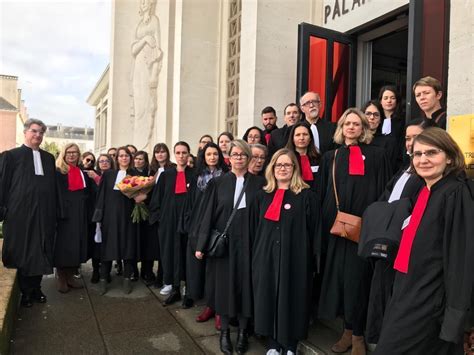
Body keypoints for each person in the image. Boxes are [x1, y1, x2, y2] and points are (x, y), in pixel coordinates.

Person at [375, 127, 474, 354]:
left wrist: (456, 320)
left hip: (430, 302)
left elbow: (461, 260)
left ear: (449, 157)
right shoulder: (425, 190)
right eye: (417, 154)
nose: (423, 159)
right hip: (406, 290)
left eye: (432, 153)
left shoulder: (455, 193)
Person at [317, 108, 391, 355]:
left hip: (365, 230)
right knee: (341, 282)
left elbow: (384, 191)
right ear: (341, 128)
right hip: (338, 230)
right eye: (347, 123)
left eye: (356, 124)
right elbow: (323, 192)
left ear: (363, 128)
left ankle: (358, 334)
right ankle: (347, 330)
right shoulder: (332, 156)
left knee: (360, 282)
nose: (351, 127)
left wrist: (374, 222)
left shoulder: (378, 155)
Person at [195, 140, 265, 355]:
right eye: (235, 154)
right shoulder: (218, 183)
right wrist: (201, 245)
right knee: (224, 288)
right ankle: (224, 332)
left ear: (248, 158)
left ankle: (243, 332)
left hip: (250, 242)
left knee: (246, 288)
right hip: (224, 245)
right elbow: (207, 215)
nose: (239, 158)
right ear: (229, 158)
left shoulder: (260, 183)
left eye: (243, 155)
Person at [363, 119, 427, 345]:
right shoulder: (404, 170)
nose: (410, 143)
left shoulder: (425, 174)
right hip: (387, 241)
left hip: (405, 245)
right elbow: (386, 198)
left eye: (415, 137)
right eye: (408, 138)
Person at [251, 149, 319, 355]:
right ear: (272, 168)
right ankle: (273, 343)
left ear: (294, 169)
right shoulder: (262, 196)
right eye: (278, 165)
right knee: (269, 297)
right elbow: (254, 228)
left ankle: (290, 344)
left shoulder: (307, 196)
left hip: (295, 257)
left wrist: (314, 260)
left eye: (287, 165)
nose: (282, 168)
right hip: (266, 257)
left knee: (293, 298)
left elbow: (314, 230)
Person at [0, 119, 57, 307]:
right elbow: (2, 186)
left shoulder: (49, 158)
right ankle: (26, 292)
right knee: (24, 252)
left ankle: (36, 288)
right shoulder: (10, 156)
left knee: (41, 250)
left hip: (44, 214)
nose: (38, 135)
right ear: (25, 132)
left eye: (41, 132)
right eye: (34, 131)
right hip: (20, 215)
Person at [183, 142, 228, 325]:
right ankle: (207, 303)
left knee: (216, 268)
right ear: (204, 156)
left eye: (215, 154)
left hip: (217, 225)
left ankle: (218, 308)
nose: (212, 157)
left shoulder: (225, 176)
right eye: (208, 154)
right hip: (198, 224)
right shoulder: (196, 177)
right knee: (200, 266)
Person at [149, 141, 195, 306]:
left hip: (189, 222)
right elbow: (157, 199)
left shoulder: (194, 175)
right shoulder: (166, 175)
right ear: (174, 154)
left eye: (184, 152)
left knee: (187, 254)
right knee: (170, 253)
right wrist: (159, 218)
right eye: (178, 152)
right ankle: (174, 287)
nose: (181, 156)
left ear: (189, 154)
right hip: (169, 222)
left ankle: (188, 289)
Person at [92, 147, 140, 295]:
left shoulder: (136, 175)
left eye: (126, 156)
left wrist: (141, 198)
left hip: (128, 216)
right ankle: (103, 280)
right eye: (121, 156)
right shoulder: (108, 175)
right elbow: (101, 196)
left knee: (127, 247)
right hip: (110, 217)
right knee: (108, 248)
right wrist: (99, 216)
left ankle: (127, 280)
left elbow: (142, 194)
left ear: (130, 158)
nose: (124, 158)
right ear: (116, 158)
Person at [54, 143, 90, 293]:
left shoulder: (82, 172)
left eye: (74, 152)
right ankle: (62, 278)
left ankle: (70, 276)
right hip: (64, 214)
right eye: (68, 152)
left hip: (79, 213)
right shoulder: (58, 172)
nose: (71, 155)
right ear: (63, 154)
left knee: (76, 245)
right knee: (64, 246)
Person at [130, 0, 162, 151]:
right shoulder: (139, 25)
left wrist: (154, 74)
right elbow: (133, 50)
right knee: (139, 106)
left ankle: (146, 145)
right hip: (138, 67)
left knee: (148, 104)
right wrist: (144, 40)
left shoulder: (155, 21)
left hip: (149, 66)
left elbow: (159, 48)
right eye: (141, 2)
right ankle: (138, 144)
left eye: (146, 2)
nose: (143, 4)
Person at [148, 143, 176, 288]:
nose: (160, 154)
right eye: (157, 152)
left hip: (166, 211)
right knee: (155, 247)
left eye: (163, 152)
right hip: (153, 210)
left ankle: (163, 277)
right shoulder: (151, 169)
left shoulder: (172, 169)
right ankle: (152, 275)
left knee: (164, 248)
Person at [86, 154, 115, 284]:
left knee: (107, 245)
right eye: (101, 161)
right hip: (94, 214)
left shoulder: (115, 175)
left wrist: (97, 178)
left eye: (106, 161)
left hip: (109, 215)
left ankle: (106, 272)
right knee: (96, 246)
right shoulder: (92, 175)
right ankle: (96, 271)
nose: (104, 163)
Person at [362, 100, 400, 173]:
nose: (372, 117)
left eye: (376, 115)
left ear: (380, 120)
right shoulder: (356, 140)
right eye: (368, 114)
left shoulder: (389, 142)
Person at [285, 122, 320, 191]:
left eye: (305, 134)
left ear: (310, 138)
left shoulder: (319, 159)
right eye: (298, 135)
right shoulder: (286, 159)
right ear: (292, 138)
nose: (301, 138)